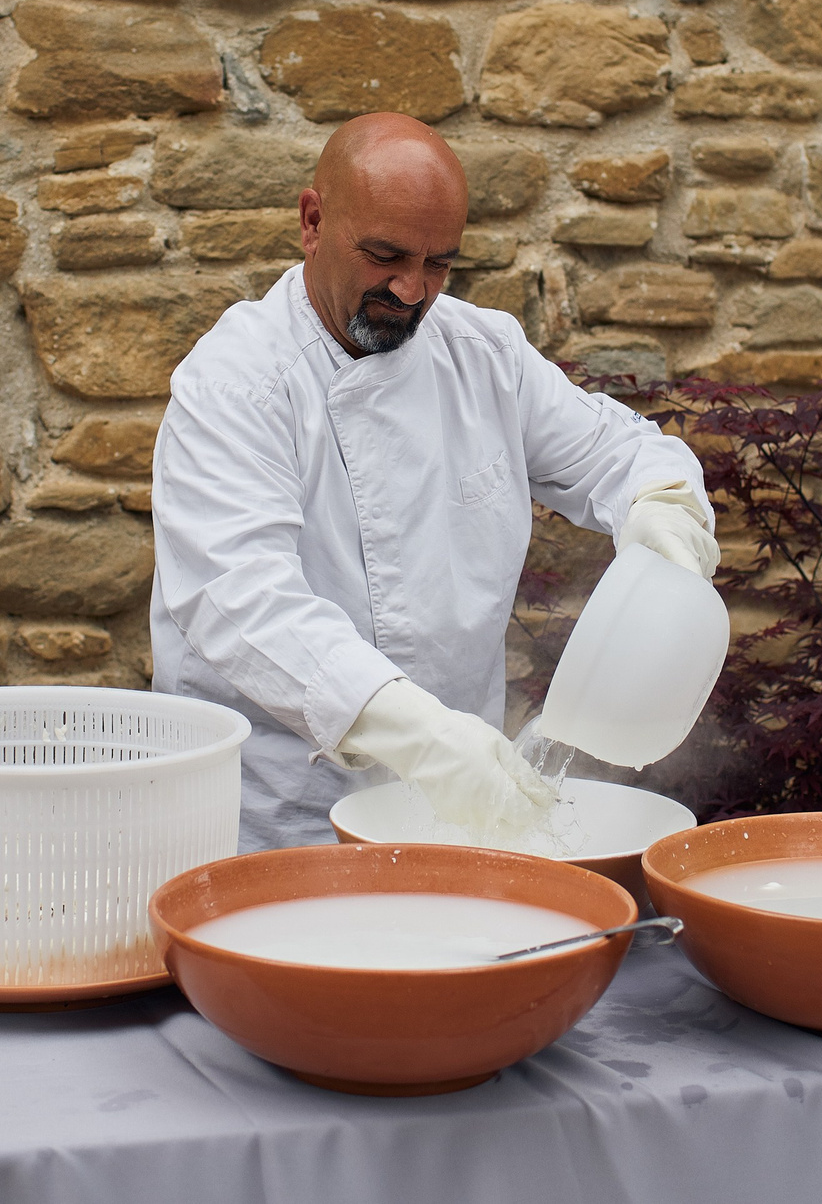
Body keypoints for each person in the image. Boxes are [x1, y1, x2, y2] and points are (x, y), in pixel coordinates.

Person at [149, 113, 719, 852]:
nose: (413, 290)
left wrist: (665, 515)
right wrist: (429, 741)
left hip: (460, 821)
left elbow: (620, 449)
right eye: (385, 255)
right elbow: (243, 603)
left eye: (439, 263)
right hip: (269, 824)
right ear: (313, 221)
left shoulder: (483, 355)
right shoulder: (235, 385)